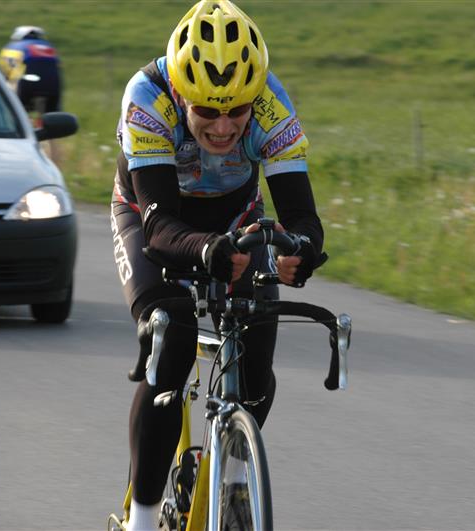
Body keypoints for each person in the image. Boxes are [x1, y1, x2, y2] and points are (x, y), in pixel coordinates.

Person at [109, 1, 323, 529]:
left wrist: (299, 250)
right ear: (182, 95)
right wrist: (207, 251)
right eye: (207, 111)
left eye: (237, 111)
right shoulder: (147, 97)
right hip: (151, 216)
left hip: (233, 219)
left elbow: (302, 217)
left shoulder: (271, 103)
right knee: (173, 341)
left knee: (256, 361)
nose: (224, 127)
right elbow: (159, 229)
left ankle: (233, 482)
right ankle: (141, 519)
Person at [0, 26, 63, 161]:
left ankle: (17, 153)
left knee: (15, 119)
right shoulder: (49, 47)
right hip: (52, 86)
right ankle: (54, 158)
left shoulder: (11, 47)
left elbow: (5, 73)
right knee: (51, 126)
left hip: (25, 84)